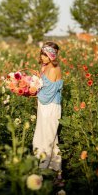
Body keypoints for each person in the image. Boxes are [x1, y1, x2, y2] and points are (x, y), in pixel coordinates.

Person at [33, 41, 63, 172]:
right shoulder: (45, 67)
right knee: (49, 137)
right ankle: (56, 170)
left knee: (47, 139)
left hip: (50, 107)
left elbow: (47, 95)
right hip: (44, 107)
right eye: (42, 54)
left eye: (45, 55)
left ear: (51, 56)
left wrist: (32, 91)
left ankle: (42, 170)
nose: (42, 57)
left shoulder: (54, 69)